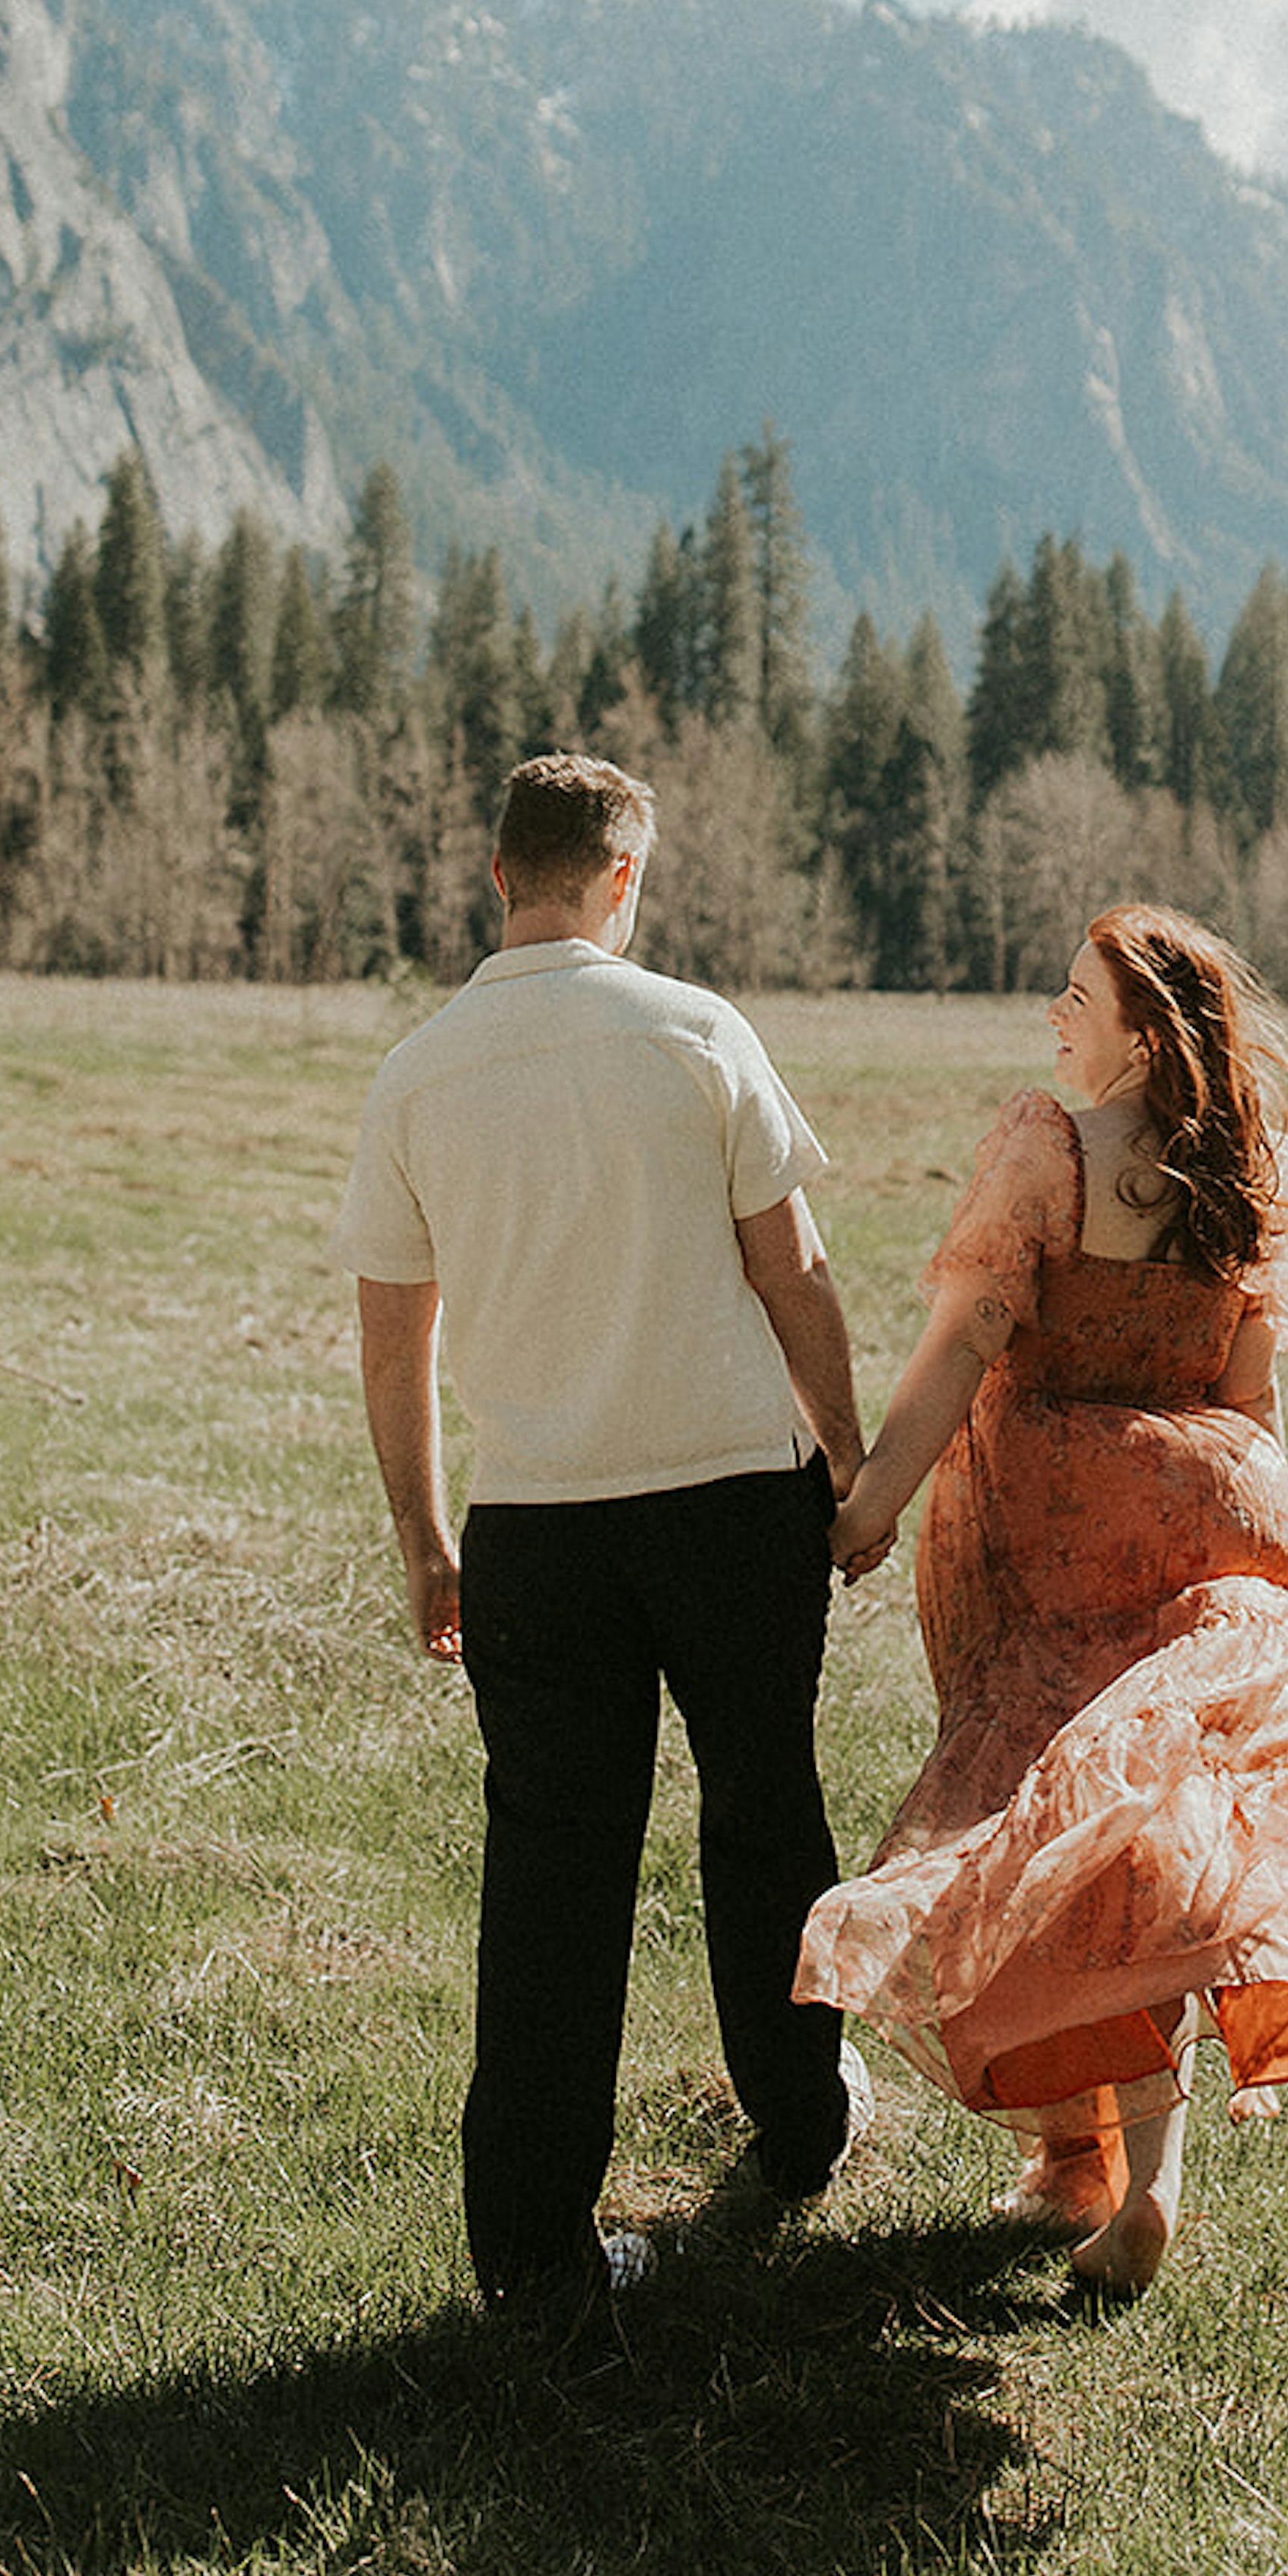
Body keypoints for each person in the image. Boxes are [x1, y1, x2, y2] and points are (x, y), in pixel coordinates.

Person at [334, 748, 871, 2327]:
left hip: (539, 1528)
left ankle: (531, 2250)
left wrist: (428, 1540)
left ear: (500, 874)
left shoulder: (419, 1073)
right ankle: (800, 2119)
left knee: (552, 1868)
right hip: (730, 1504)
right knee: (767, 1815)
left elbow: (393, 1343)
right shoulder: (697, 1033)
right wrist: (848, 1461)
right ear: (622, 878)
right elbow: (798, 1278)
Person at [796, 902, 1288, 2300]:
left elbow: (958, 1350)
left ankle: (1112, 2168)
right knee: (1154, 1833)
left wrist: (863, 1508)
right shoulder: (1255, 1172)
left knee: (1055, 1834)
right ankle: (1114, 2175)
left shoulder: (1048, 1157)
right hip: (1208, 1514)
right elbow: (1249, 1392)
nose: (1053, 1016)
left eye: (1077, 995)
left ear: (1142, 1031)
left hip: (1054, 1529)